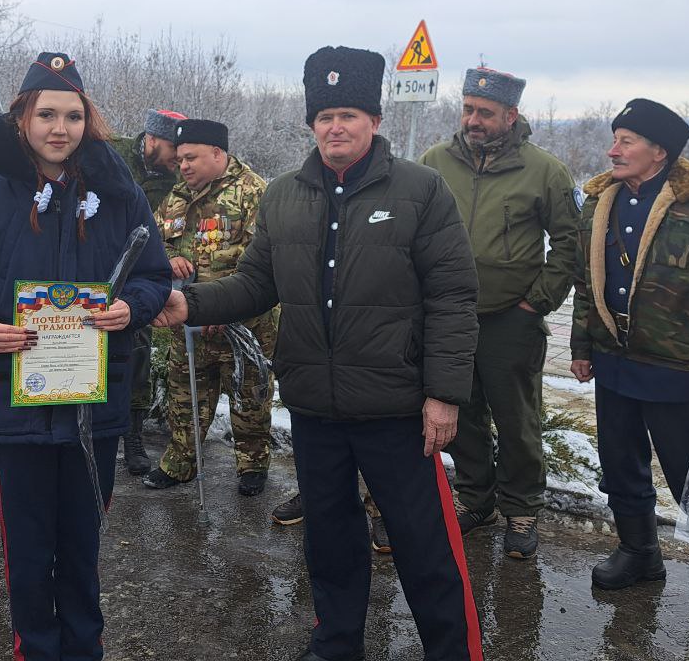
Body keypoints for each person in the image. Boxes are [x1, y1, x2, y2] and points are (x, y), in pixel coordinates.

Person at [155, 46, 483, 661]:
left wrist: (443, 395)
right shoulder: (283, 196)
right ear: (311, 123)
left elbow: (453, 298)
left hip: (397, 408)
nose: (336, 126)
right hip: (314, 407)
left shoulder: (421, 191)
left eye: (350, 114)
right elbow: (256, 284)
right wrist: (190, 305)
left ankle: (451, 649)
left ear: (374, 121)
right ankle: (336, 642)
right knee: (330, 539)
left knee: (423, 543)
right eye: (325, 115)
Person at [0, 52, 171, 660]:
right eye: (46, 115)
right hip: (17, 412)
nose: (59, 129)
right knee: (30, 553)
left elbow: (153, 278)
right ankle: (35, 650)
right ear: (21, 120)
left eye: (72, 116)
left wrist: (131, 309)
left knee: (83, 549)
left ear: (89, 122)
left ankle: (84, 650)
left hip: (96, 410)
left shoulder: (119, 200)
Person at [569, 99, 689, 630]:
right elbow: (587, 282)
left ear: (659, 152)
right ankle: (639, 552)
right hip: (615, 364)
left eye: (626, 141)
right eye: (615, 138)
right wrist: (582, 347)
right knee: (620, 465)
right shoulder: (600, 201)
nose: (613, 150)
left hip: (680, 370)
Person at [420, 66, 578, 558]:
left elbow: (571, 243)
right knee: (459, 409)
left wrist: (537, 301)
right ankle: (475, 498)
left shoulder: (544, 171)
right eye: (468, 109)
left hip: (512, 316)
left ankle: (522, 508)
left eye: (485, 112)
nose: (473, 119)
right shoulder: (433, 163)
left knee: (517, 418)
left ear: (511, 115)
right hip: (448, 314)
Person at [141, 118, 277, 497]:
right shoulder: (175, 198)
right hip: (188, 326)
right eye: (181, 159)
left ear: (218, 154)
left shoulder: (254, 193)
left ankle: (252, 464)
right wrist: (168, 258)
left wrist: (224, 309)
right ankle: (181, 462)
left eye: (192, 158)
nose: (183, 166)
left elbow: (262, 264)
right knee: (185, 396)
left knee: (249, 397)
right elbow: (154, 242)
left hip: (243, 325)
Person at [108, 108, 187, 475]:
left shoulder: (177, 177)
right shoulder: (111, 154)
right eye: (174, 146)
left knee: (137, 352)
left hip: (140, 274)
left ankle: (133, 436)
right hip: (100, 265)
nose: (179, 157)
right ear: (153, 139)